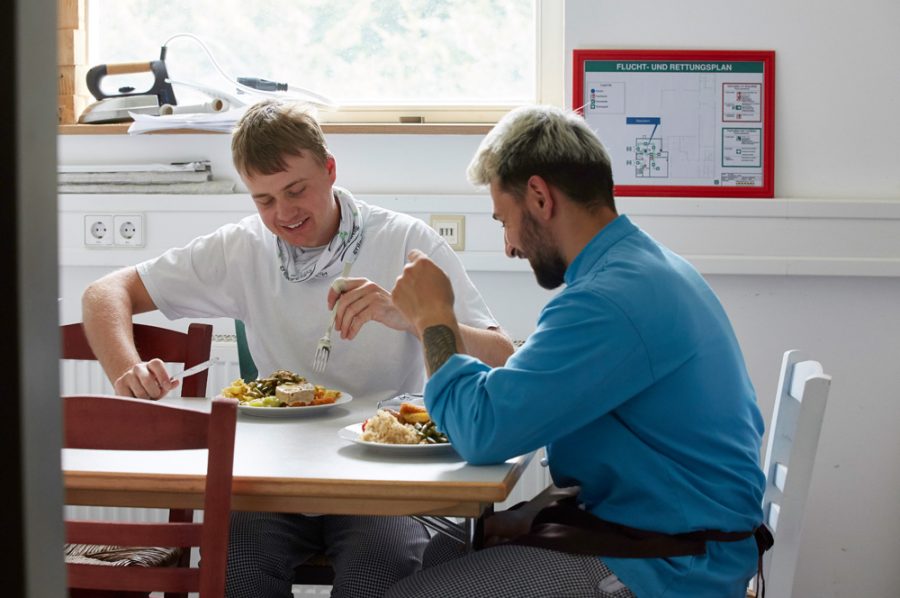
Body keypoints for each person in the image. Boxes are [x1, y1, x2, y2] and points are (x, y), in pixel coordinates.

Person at [80, 99, 515, 598]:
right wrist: (125, 369)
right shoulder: (241, 248)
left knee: (377, 575)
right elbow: (104, 293)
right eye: (264, 200)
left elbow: (501, 353)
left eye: (296, 190)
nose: (283, 214)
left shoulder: (403, 241)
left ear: (330, 170)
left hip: (383, 483)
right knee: (233, 570)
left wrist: (416, 318)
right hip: (275, 479)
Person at [388, 105, 768, 598]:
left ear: (540, 197)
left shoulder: (609, 298)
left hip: (671, 566)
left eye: (504, 220)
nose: (508, 246)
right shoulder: (639, 267)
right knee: (439, 554)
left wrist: (433, 318)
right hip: (670, 538)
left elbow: (481, 431)